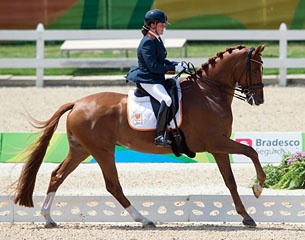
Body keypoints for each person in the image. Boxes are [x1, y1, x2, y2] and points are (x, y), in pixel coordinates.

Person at [125, 9, 186, 148]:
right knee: (167, 99)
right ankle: (159, 136)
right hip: (148, 79)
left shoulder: (156, 39)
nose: (164, 27)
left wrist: (177, 64)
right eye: (161, 24)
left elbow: (161, 60)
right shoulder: (148, 41)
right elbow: (153, 66)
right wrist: (173, 70)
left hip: (155, 78)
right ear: (152, 25)